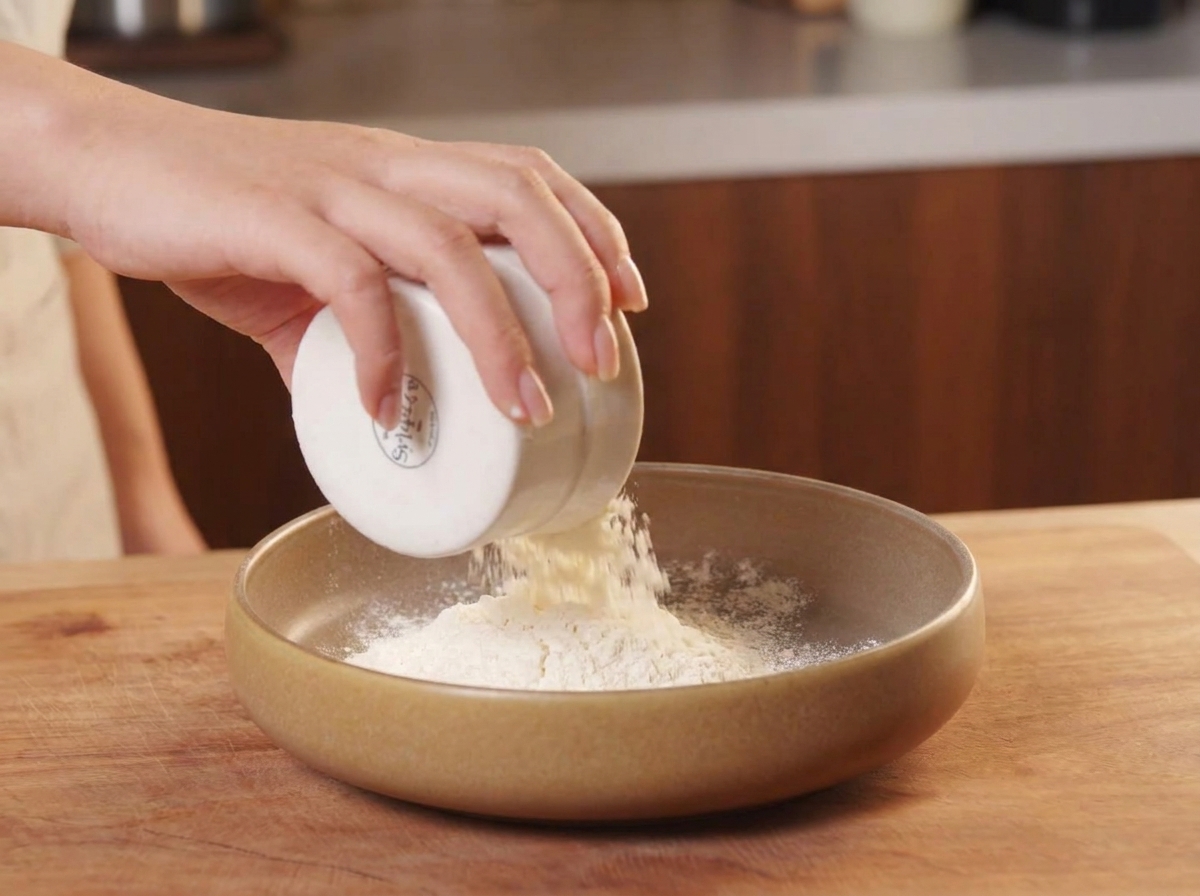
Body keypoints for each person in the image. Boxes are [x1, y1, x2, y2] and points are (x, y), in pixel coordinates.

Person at [0, 3, 647, 563]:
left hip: (58, 527)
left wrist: (143, 509)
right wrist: (90, 145)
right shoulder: (89, 143)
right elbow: (69, 174)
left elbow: (54, 235)